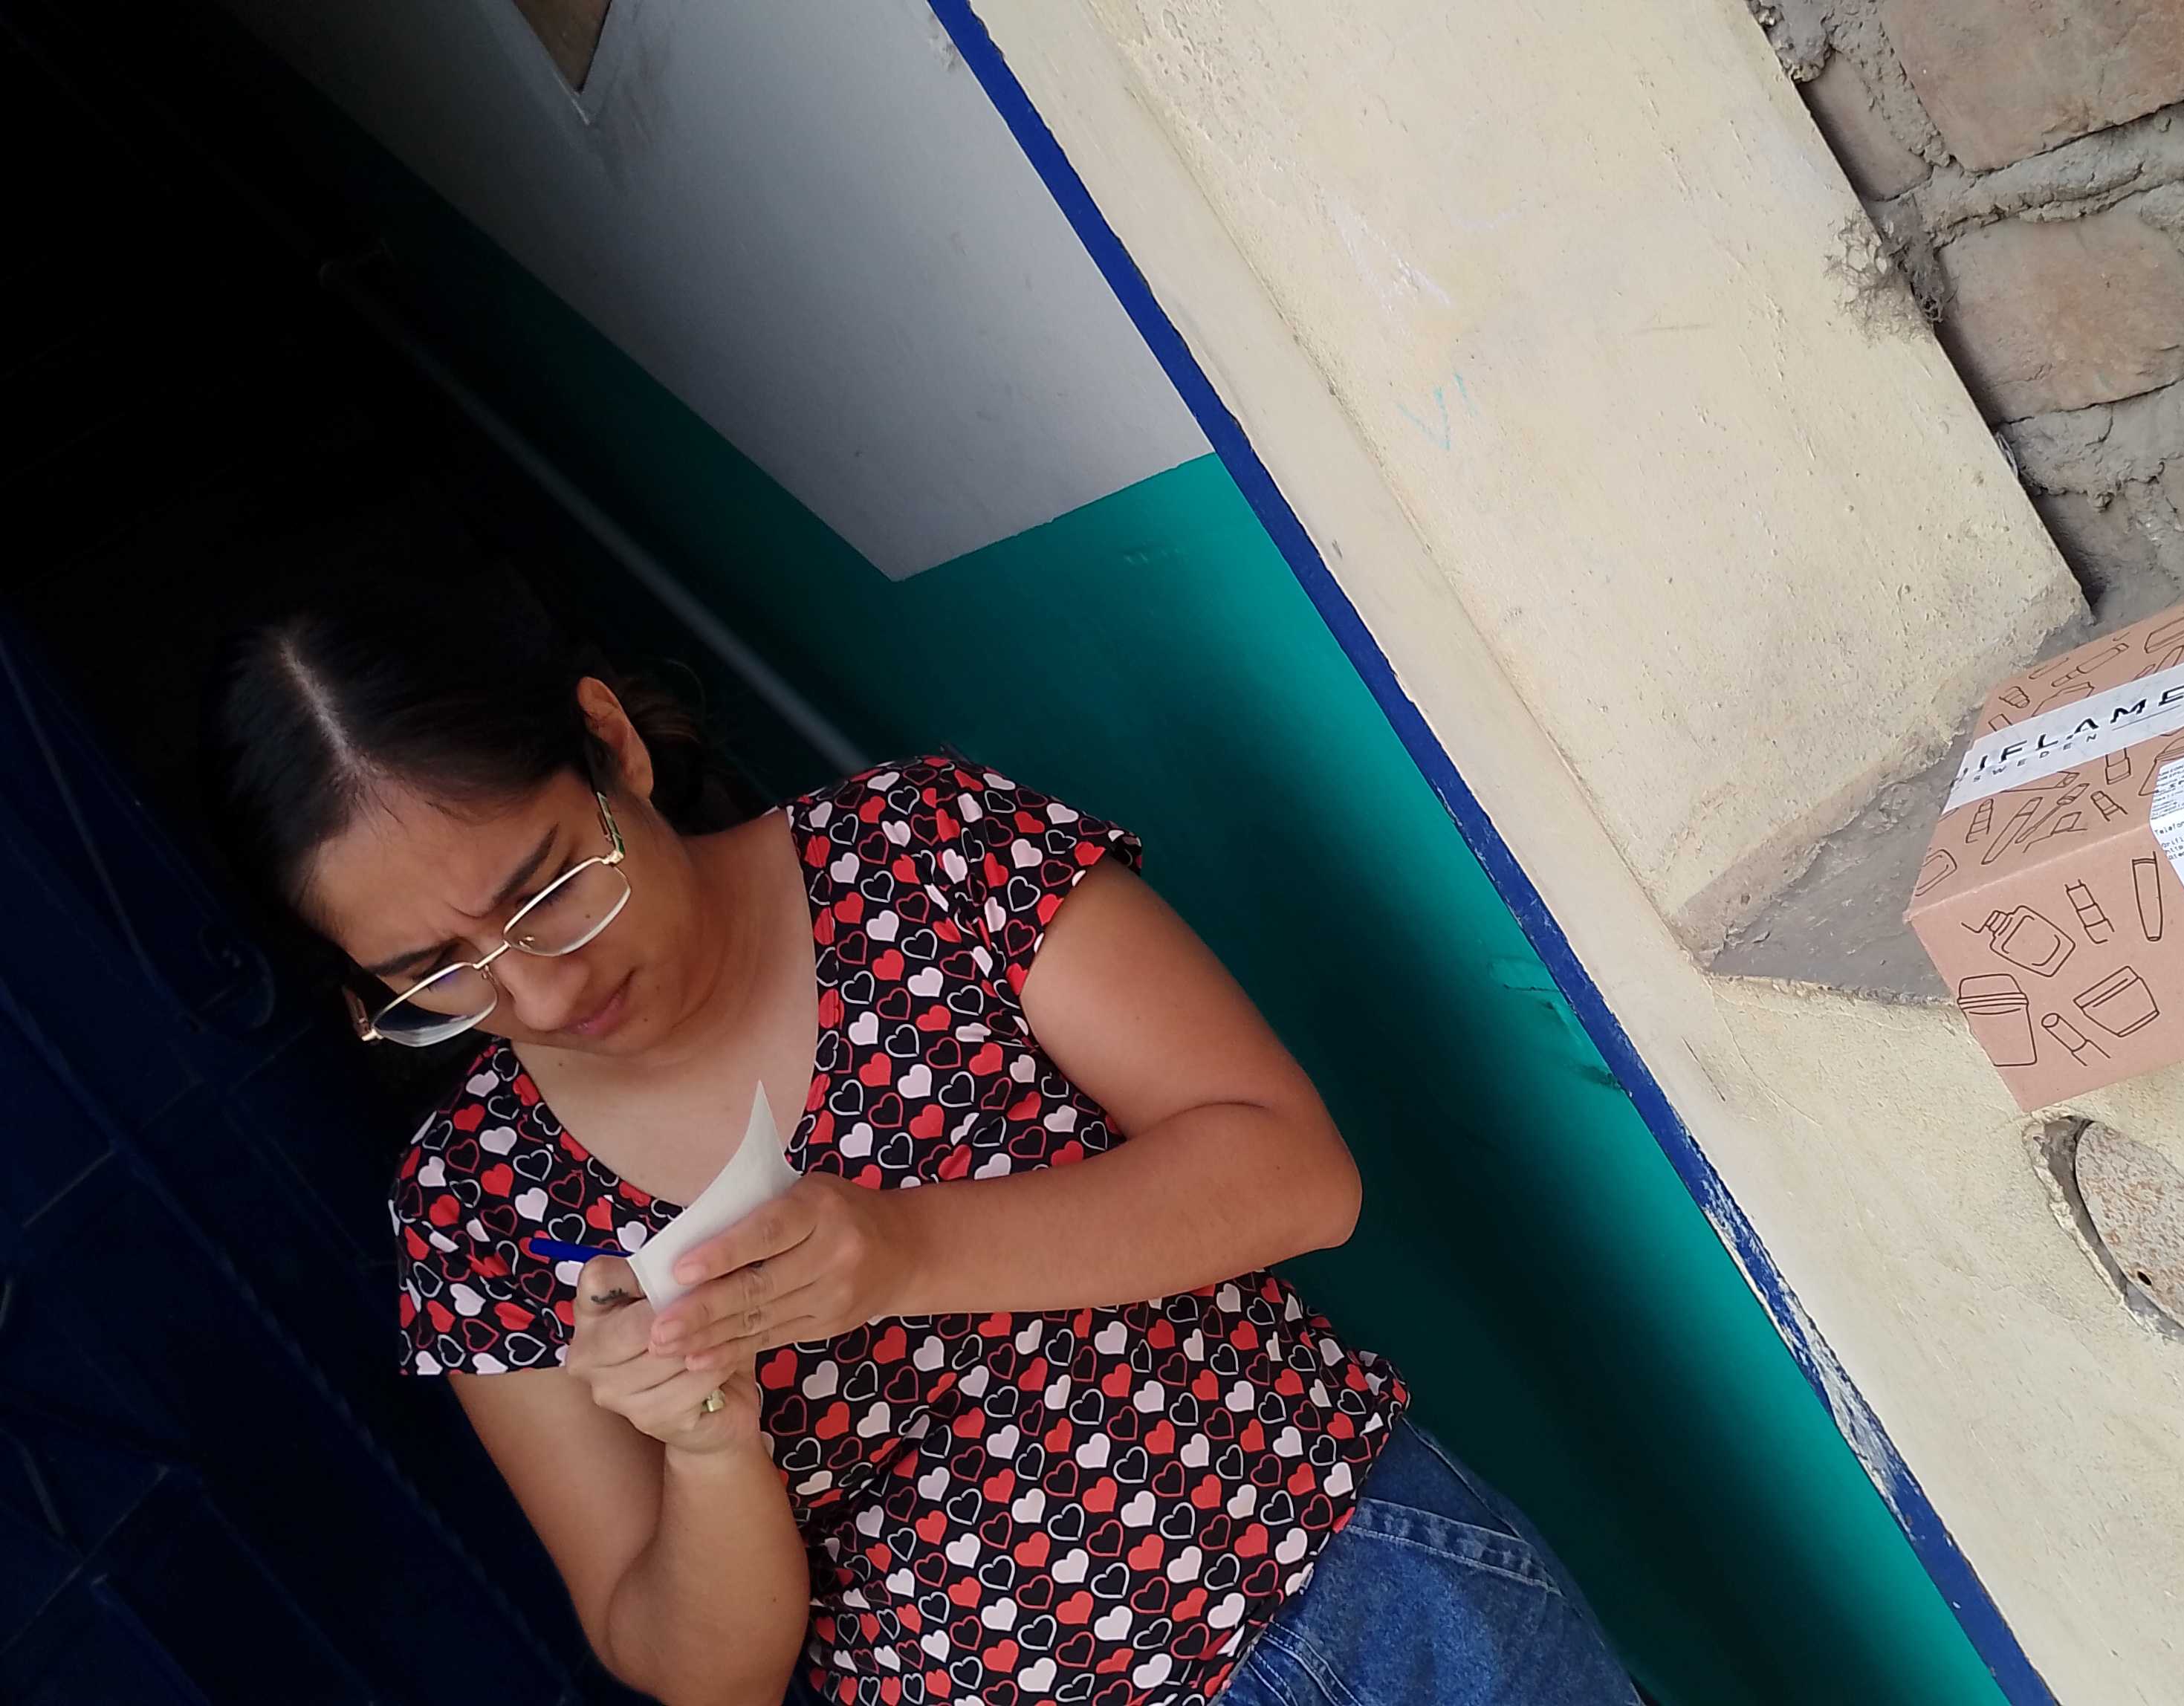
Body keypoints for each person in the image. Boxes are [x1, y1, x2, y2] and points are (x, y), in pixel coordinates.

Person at [205, 570, 1641, 1706]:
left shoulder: (919, 851)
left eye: (546, 890)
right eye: (435, 976)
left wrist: (902, 1250)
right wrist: (708, 1449)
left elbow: (1294, 1173)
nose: (541, 993)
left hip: (1371, 1593)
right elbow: (703, 1676)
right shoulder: (472, 1210)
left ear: (612, 745)